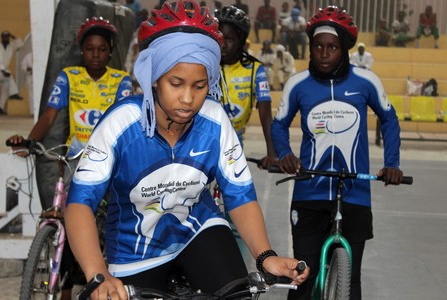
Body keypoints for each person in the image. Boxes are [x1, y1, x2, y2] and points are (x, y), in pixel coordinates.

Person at [63, 1, 309, 299]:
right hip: (134, 250)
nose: (188, 98)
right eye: (176, 83)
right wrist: (98, 274)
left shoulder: (215, 120)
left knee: (238, 294)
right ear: (154, 77)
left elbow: (240, 196)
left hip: (199, 232)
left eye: (200, 86)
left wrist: (265, 256)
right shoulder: (120, 124)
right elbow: (79, 204)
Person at [270, 6, 404, 300]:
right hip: (309, 193)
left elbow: (390, 120)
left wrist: (391, 163)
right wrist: (285, 154)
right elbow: (278, 126)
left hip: (355, 191)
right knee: (303, 276)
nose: (324, 53)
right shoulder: (298, 84)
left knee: (351, 278)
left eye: (332, 47)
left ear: (343, 49)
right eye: (318, 46)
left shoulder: (365, 81)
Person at [7, 17, 132, 299]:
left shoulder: (121, 80)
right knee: (68, 217)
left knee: (111, 220)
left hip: (109, 159)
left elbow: (123, 118)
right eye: (90, 48)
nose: (96, 54)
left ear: (110, 50)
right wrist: (30, 140)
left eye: (102, 49)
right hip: (75, 157)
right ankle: (65, 284)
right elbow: (50, 114)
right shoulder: (68, 77)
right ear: (81, 50)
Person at [216, 5, 277, 167]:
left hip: (234, 140)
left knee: (234, 189)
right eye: (219, 38)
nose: (222, 44)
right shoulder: (206, 66)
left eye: (229, 39)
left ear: (241, 41)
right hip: (204, 138)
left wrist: (272, 153)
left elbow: (265, 112)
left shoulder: (255, 69)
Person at [0, 31, 24, 115]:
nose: (7, 38)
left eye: (8, 37)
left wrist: (13, 36)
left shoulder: (11, 46)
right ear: (2, 38)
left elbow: (21, 44)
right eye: (5, 37)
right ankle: (14, 93)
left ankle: (0, 108)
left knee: (5, 90)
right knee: (8, 79)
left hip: (4, 70)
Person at [20, 51, 34, 116]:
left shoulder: (42, 54)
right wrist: (27, 69)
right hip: (30, 77)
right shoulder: (28, 55)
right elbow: (23, 65)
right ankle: (32, 112)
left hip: (39, 78)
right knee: (31, 94)